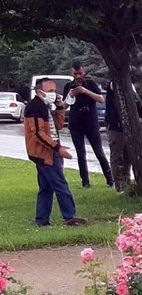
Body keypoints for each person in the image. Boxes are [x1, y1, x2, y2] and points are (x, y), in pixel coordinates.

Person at [24, 78, 88, 227]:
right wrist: (58, 149)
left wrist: (60, 108)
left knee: (46, 187)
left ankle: (42, 219)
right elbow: (38, 134)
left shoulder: (46, 106)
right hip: (45, 153)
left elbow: (58, 126)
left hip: (47, 151)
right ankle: (70, 216)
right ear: (40, 92)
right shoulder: (35, 107)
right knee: (60, 185)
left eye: (54, 90)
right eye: (50, 91)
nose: (54, 94)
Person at [63, 61, 113, 188]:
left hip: (91, 123)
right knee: (81, 154)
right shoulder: (69, 86)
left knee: (99, 152)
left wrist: (85, 91)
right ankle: (85, 182)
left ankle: (110, 180)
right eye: (75, 74)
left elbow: (101, 99)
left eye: (80, 73)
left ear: (84, 71)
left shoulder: (90, 83)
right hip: (76, 124)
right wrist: (71, 94)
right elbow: (64, 105)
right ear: (71, 73)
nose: (78, 76)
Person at [104, 81, 142, 192]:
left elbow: (140, 108)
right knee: (117, 157)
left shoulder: (130, 86)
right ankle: (119, 185)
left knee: (128, 157)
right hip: (116, 128)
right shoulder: (114, 85)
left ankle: (126, 183)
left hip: (130, 129)